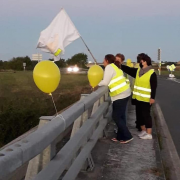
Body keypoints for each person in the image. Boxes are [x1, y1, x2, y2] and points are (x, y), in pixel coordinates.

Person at [120, 53, 157, 139]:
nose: (141, 62)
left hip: (146, 99)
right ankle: (143, 131)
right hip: (138, 98)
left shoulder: (151, 73)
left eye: (142, 60)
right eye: (140, 60)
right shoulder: (138, 71)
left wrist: (152, 98)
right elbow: (128, 70)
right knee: (139, 116)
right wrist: (119, 65)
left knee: (146, 115)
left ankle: (149, 133)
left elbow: (154, 86)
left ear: (146, 61)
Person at [98, 54, 133, 144]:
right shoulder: (115, 67)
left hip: (120, 94)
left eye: (103, 60)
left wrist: (97, 83)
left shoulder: (109, 67)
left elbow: (105, 82)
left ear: (106, 60)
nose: (102, 62)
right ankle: (120, 137)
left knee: (116, 116)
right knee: (120, 116)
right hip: (124, 93)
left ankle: (127, 136)